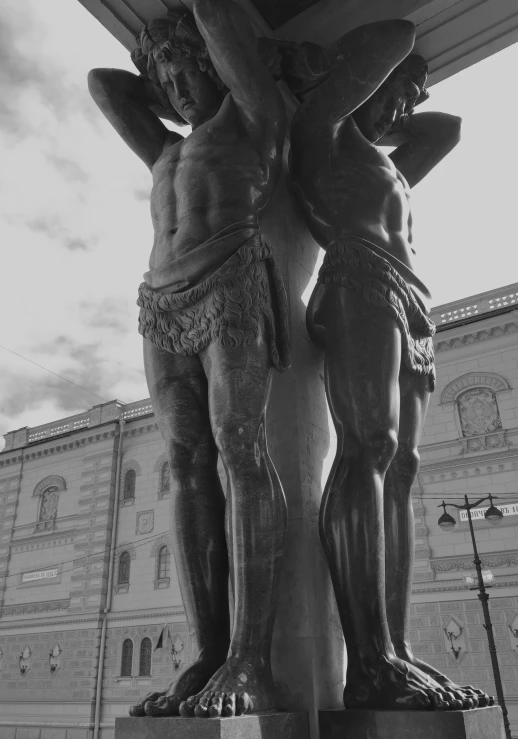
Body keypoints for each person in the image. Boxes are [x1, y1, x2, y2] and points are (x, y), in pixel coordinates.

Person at [88, 0, 289, 719]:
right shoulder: (165, 150)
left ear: (218, 66)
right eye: (164, 79)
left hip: (232, 278)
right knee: (188, 465)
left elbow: (214, 13)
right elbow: (103, 83)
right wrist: (161, 61)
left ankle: (251, 658)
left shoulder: (254, 118)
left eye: (185, 70)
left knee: (241, 450)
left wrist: (195, 44)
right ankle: (209, 649)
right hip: (160, 304)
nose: (174, 86)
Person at [290, 20, 490, 711]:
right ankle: (368, 658)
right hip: (355, 282)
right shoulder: (321, 131)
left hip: (411, 304)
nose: (402, 108)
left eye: (409, 98)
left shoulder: (386, 166)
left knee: (402, 469)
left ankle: (395, 651)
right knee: (368, 447)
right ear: (350, 81)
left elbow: (447, 128)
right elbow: (397, 32)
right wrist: (353, 82)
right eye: (393, 93)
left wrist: (396, 103)